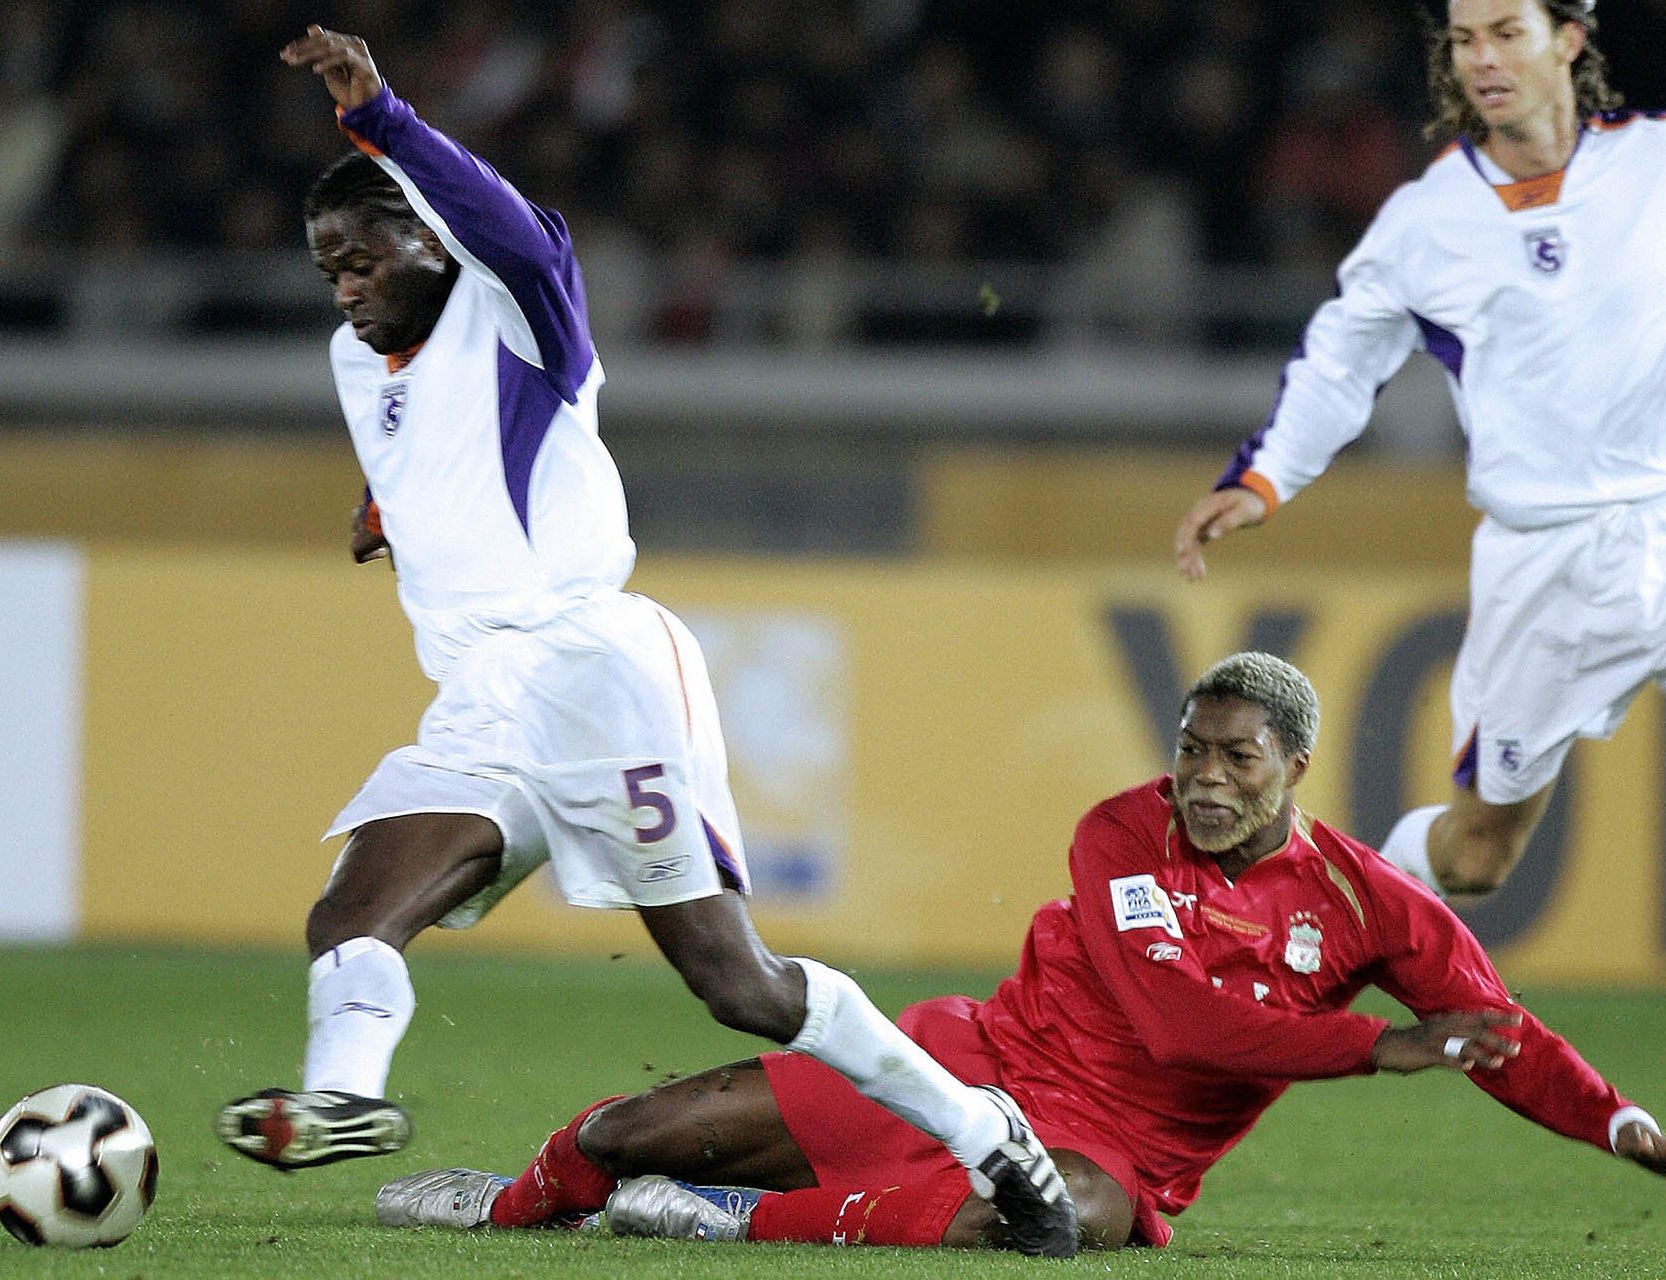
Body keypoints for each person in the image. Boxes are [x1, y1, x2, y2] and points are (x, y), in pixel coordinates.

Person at [214, 26, 1080, 1257]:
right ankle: (347, 1097)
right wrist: (381, 512)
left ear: (427, 240)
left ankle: (986, 1133)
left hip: (597, 670)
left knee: (739, 985)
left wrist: (384, 121)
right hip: (480, 697)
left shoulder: (517, 310)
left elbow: (518, 232)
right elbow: (429, 458)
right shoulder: (360, 363)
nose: (346, 288)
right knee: (350, 915)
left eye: (364, 257)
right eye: (328, 272)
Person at [371, 653, 1666, 1251]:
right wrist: (1383, 1046)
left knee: (1054, 1223)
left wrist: (1623, 1125)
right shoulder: (1120, 836)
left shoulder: (1374, 903)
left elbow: (1501, 1033)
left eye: (1236, 760)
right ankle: (502, 1206)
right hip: (963, 1069)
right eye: (1192, 751)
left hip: (1117, 1156)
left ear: (1297, 770)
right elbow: (1178, 1027)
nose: (1203, 780)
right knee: (634, 1130)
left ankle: (725, 1224)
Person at [1174, 0, 1666, 900]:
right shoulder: (1425, 221)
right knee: (1479, 856)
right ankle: (1348, 893)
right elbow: (1339, 362)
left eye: (1506, 33)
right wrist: (1263, 478)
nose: (1482, 58)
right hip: (1546, 568)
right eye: (1464, 39)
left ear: (1569, 39)